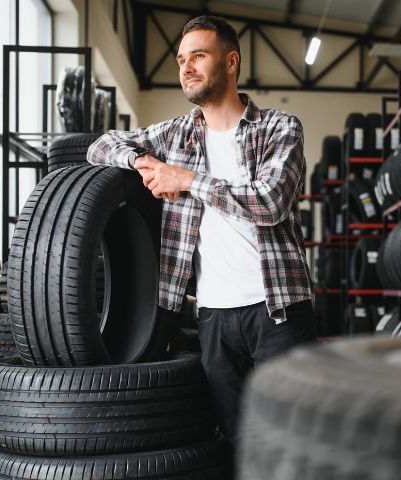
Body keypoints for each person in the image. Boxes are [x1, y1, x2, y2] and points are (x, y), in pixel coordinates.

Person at [86, 15, 315, 449]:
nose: (186, 67)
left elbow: (268, 202)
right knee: (234, 440)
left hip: (279, 310)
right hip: (213, 315)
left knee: (291, 440)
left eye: (198, 56)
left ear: (231, 62)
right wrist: (141, 163)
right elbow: (100, 145)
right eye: (180, 59)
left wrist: (185, 179)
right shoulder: (175, 134)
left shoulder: (279, 128)